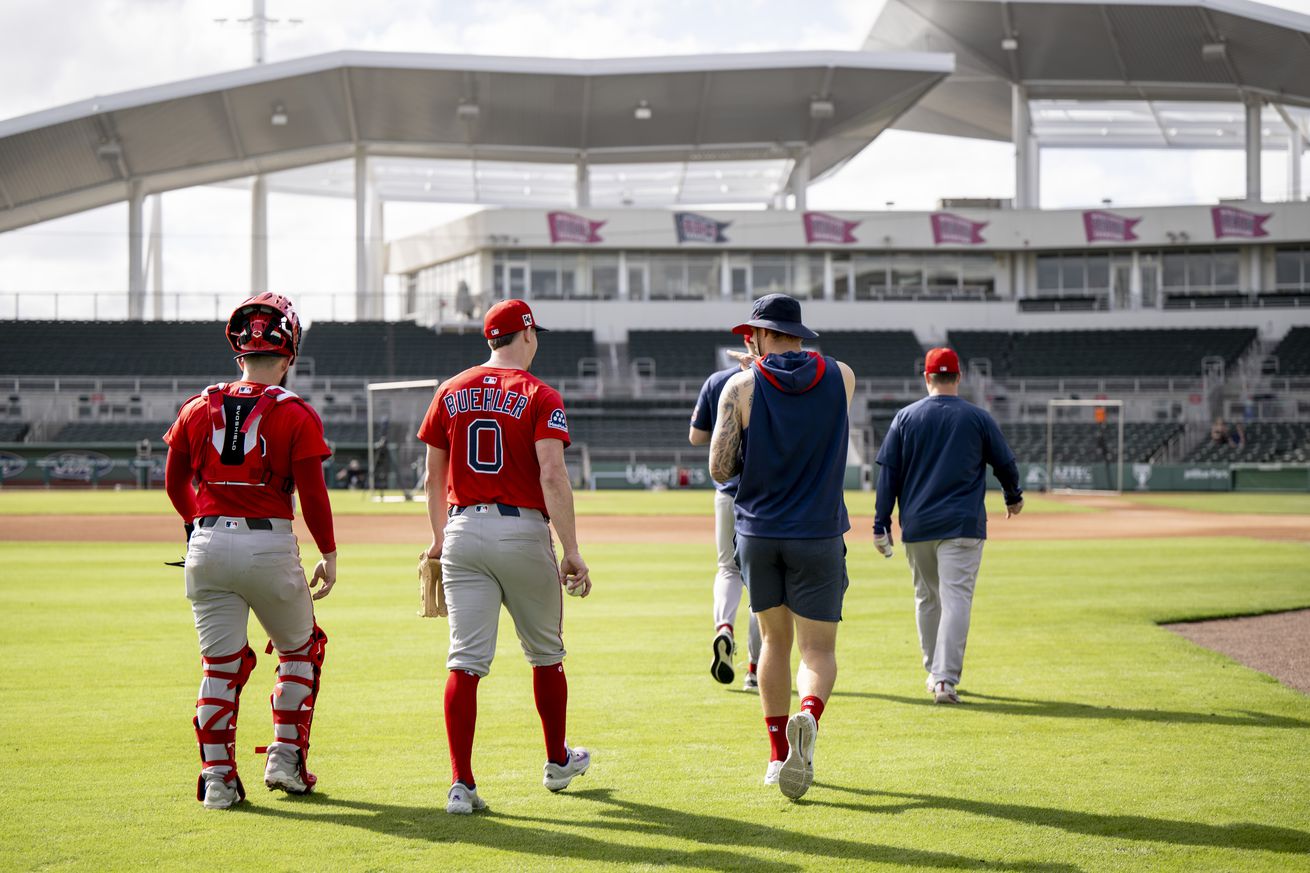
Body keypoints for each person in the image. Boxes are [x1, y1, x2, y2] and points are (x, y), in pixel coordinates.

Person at [417, 298, 592, 816]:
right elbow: (553, 475)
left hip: (463, 527)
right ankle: (557, 761)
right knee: (546, 654)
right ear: (528, 335)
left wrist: (437, 537)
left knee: (465, 662)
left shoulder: (449, 389)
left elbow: (433, 475)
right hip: (521, 531)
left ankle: (460, 784)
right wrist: (572, 549)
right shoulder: (540, 394)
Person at [163, 293, 337, 810]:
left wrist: (197, 524)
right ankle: (285, 760)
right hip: (268, 542)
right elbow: (313, 494)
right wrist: (329, 551)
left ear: (238, 352)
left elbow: (173, 483)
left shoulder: (197, 406)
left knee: (219, 665)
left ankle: (218, 781)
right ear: (290, 354)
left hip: (209, 541)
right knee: (301, 651)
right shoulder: (297, 413)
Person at [709, 293, 856, 801]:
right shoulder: (844, 376)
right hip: (817, 531)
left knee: (774, 642)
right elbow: (809, 390)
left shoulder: (740, 387)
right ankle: (809, 716)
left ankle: (776, 757)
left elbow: (718, 468)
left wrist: (750, 381)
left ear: (763, 334)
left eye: (752, 332)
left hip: (759, 531)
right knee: (818, 649)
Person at [872, 348, 1023, 705]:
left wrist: (881, 523)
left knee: (927, 598)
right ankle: (945, 679)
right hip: (963, 524)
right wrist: (1012, 495)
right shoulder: (978, 417)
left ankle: (933, 671)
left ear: (927, 378)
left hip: (919, 524)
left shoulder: (905, 417)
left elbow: (887, 475)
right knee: (956, 600)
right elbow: (1005, 462)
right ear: (958, 378)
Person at [690, 348, 762, 691]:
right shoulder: (778, 383)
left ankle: (724, 628)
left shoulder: (718, 381)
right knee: (762, 585)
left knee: (726, 569)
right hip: (765, 495)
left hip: (727, 490)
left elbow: (696, 436)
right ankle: (753, 669)